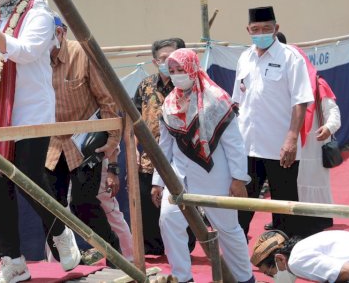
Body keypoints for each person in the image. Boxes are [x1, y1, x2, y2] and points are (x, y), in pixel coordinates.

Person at [0, 0, 80, 283]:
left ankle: (60, 232)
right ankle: (13, 261)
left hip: (30, 111)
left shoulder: (39, 14)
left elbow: (27, 51)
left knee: (29, 177)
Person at [151, 48, 254, 283]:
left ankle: (244, 278)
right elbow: (164, 147)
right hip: (179, 177)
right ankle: (182, 277)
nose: (177, 75)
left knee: (228, 229)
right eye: (173, 70)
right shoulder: (169, 103)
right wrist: (158, 181)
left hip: (215, 175)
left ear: (193, 68)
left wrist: (238, 179)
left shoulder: (217, 99)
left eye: (181, 70)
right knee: (169, 220)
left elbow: (234, 144)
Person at [46, 16, 122, 263]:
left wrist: (112, 142)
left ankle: (114, 254)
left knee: (82, 204)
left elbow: (107, 98)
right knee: (46, 203)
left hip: (84, 144)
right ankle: (66, 259)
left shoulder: (83, 54)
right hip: (50, 143)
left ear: (59, 32)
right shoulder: (34, 60)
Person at [232, 6, 314, 238]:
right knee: (242, 203)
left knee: (284, 203)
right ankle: (235, 254)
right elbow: (237, 101)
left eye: (266, 28)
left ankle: (286, 252)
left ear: (276, 29)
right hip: (247, 146)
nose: (261, 33)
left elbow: (301, 100)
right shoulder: (244, 58)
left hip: (280, 146)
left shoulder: (290, 57)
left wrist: (291, 137)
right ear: (248, 30)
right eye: (255, 29)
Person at [132, 38, 194, 256]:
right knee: (149, 209)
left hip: (182, 160)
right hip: (150, 159)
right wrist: (134, 151)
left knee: (182, 207)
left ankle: (184, 248)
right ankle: (155, 251)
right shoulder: (145, 85)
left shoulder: (189, 85)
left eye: (173, 58)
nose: (168, 63)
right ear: (154, 61)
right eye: (163, 59)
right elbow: (135, 121)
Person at [277, 32, 342, 233]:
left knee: (313, 182)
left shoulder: (318, 84)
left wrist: (329, 127)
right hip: (292, 147)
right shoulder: (282, 88)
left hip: (314, 146)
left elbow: (334, 113)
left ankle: (320, 218)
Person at [251, 230, 349, 283]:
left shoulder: (295, 261)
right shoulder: (313, 241)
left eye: (270, 273)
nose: (273, 278)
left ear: (280, 259)